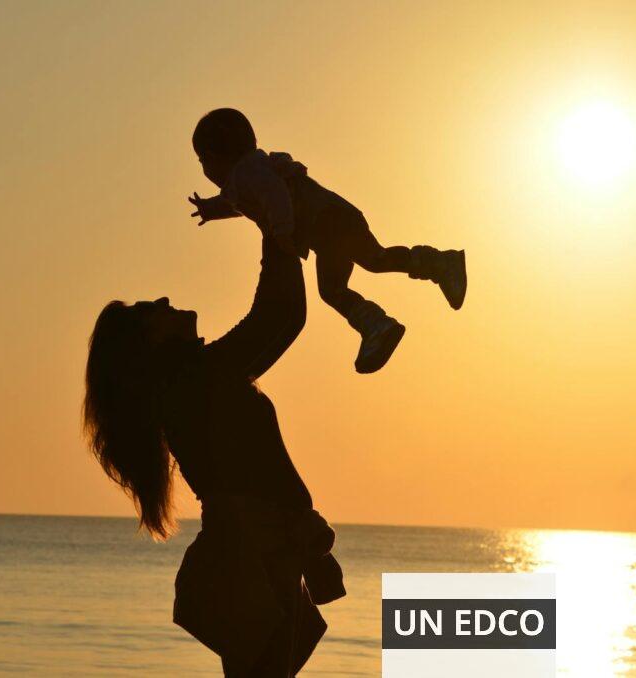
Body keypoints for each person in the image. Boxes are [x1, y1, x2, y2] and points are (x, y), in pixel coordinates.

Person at [83, 234, 344, 676]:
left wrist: (279, 227)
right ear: (148, 345)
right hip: (252, 553)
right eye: (151, 310)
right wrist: (273, 219)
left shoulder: (199, 379)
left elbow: (285, 319)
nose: (165, 298)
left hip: (261, 549)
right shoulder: (197, 379)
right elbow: (278, 316)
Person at [187, 107, 467, 374]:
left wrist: (282, 231)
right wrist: (211, 210)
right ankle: (431, 271)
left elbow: (274, 195)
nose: (205, 170)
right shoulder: (248, 174)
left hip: (328, 222)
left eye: (202, 161)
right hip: (331, 223)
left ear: (214, 158)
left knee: (340, 284)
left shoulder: (248, 173)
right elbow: (239, 202)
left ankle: (380, 323)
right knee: (373, 261)